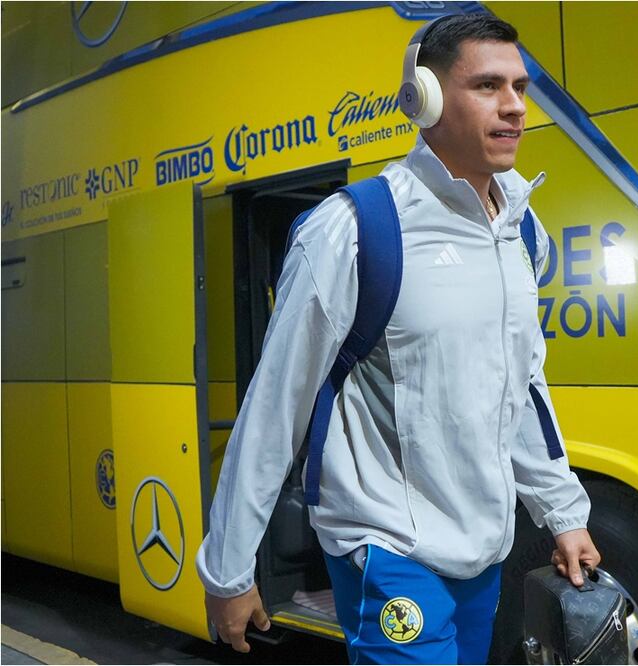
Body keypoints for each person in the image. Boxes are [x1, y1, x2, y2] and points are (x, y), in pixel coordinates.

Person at [195, 12, 601, 665]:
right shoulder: (353, 230)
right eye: (488, 86)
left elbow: (521, 386)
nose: (514, 108)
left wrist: (562, 513)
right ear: (426, 98)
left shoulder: (523, 235)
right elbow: (275, 403)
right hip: (384, 545)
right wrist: (228, 568)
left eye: (520, 88)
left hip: (480, 547)